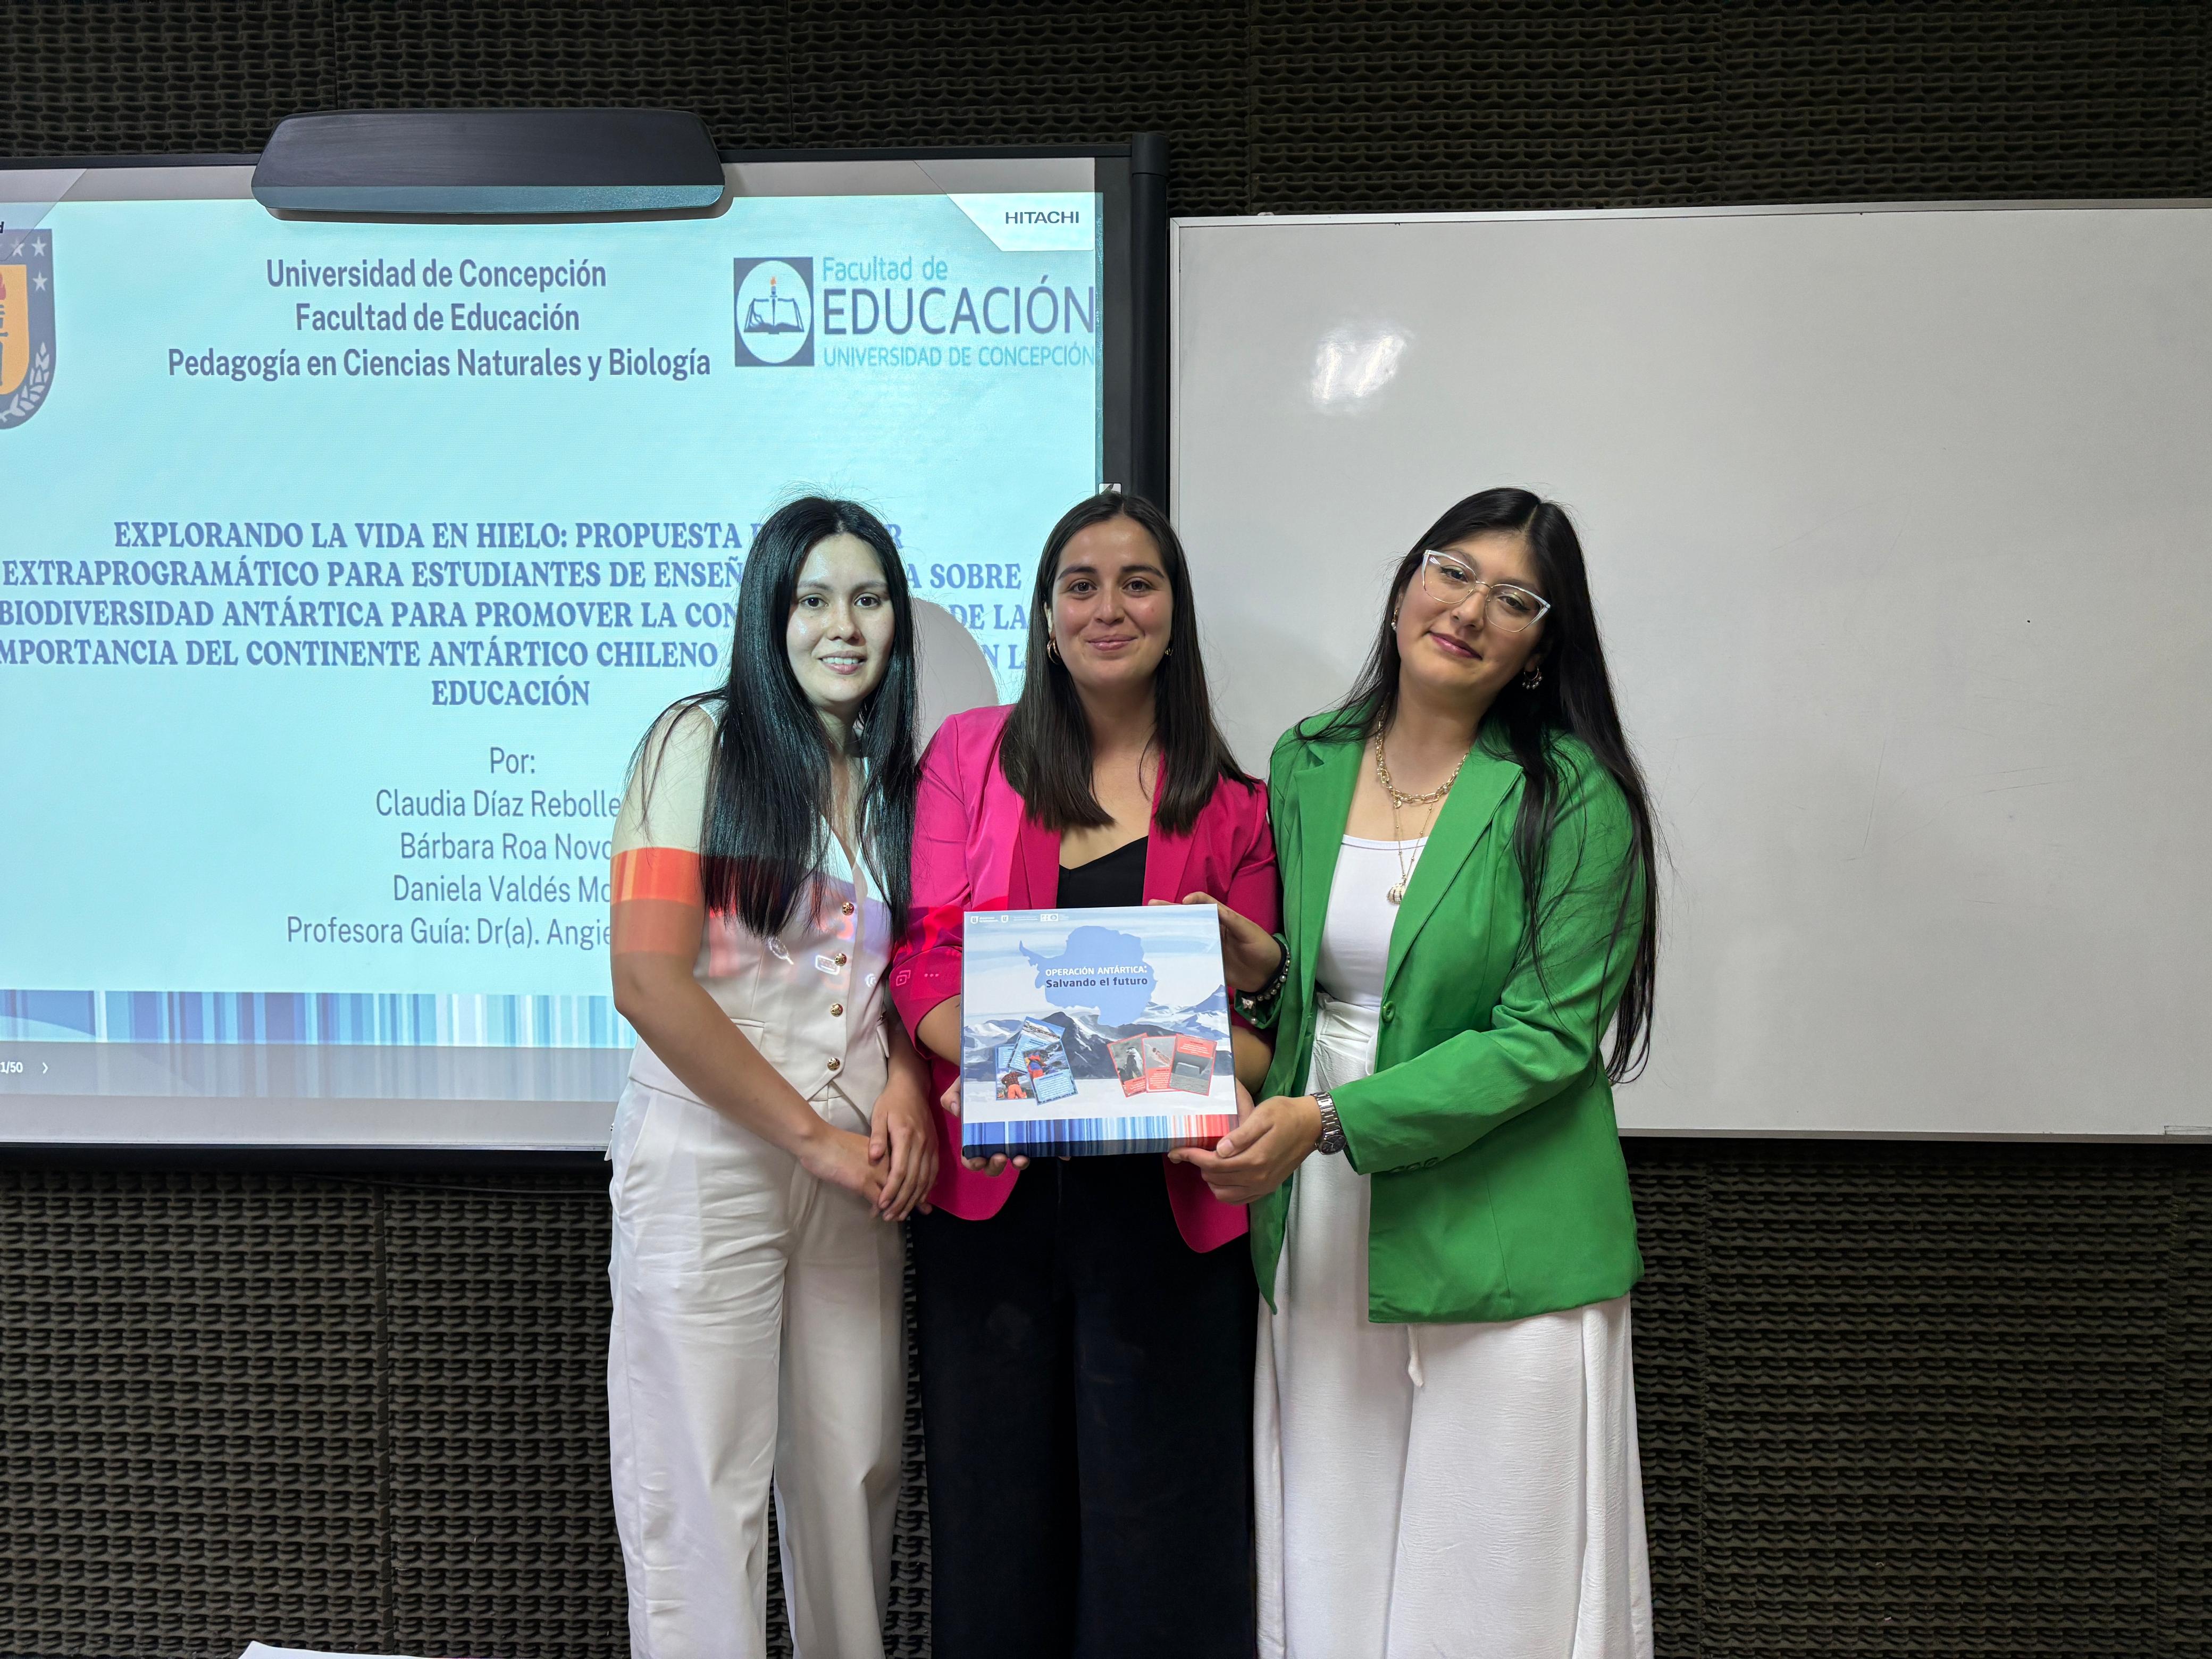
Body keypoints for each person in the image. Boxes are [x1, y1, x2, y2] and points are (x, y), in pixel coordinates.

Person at [1185, 489, 1660, 1657]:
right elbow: (1335, 982)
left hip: (1504, 1210)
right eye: (1450, 571)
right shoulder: (1306, 760)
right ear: (1406, 583)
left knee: (1494, 1565)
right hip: (1322, 1198)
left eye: (1514, 599)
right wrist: (1265, 969)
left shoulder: (1574, 795)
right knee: (1329, 1544)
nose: (1469, 610)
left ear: (1543, 646)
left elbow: (1543, 1037)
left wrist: (1331, 1117)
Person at [890, 490, 1283, 1658]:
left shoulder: (1237, 806)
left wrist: (1054, 1060)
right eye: (1080, 583)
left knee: (1161, 1532)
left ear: (1175, 614)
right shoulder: (972, 757)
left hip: (1168, 1214)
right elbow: (923, 962)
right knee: (994, 1519)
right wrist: (1065, 1063)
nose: (1108, 606)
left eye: (1138, 581)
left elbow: (1255, 1028)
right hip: (997, 1207)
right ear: (1047, 616)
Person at [604, 496, 939, 1659]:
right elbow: (647, 982)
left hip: (855, 1174)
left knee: (853, 1477)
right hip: (712, 1165)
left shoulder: (899, 778)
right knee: (703, 1491)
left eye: (868, 597)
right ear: (768, 612)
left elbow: (897, 977)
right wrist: (812, 1138)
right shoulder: (693, 744)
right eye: (811, 598)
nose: (842, 626)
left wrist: (900, 1086)